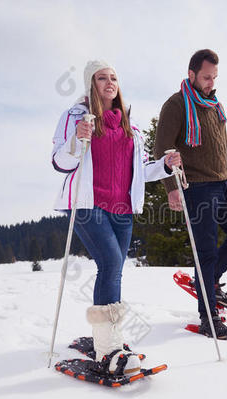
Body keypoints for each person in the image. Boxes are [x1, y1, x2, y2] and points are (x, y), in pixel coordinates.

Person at [51, 60, 181, 375]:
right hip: (87, 203)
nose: (109, 82)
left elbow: (142, 170)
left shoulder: (130, 126)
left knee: (115, 270)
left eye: (113, 77)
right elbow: (60, 161)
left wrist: (165, 164)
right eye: (101, 78)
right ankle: (109, 349)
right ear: (90, 84)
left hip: (122, 208)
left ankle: (109, 337)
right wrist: (75, 140)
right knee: (110, 263)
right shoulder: (75, 117)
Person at [154, 49, 227, 339]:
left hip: (223, 183)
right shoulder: (175, 105)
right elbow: (162, 150)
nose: (211, 82)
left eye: (214, 77)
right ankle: (209, 319)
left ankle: (207, 283)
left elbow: (226, 143)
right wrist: (171, 189)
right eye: (207, 77)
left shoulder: (214, 104)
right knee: (206, 253)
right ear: (192, 74)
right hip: (197, 187)